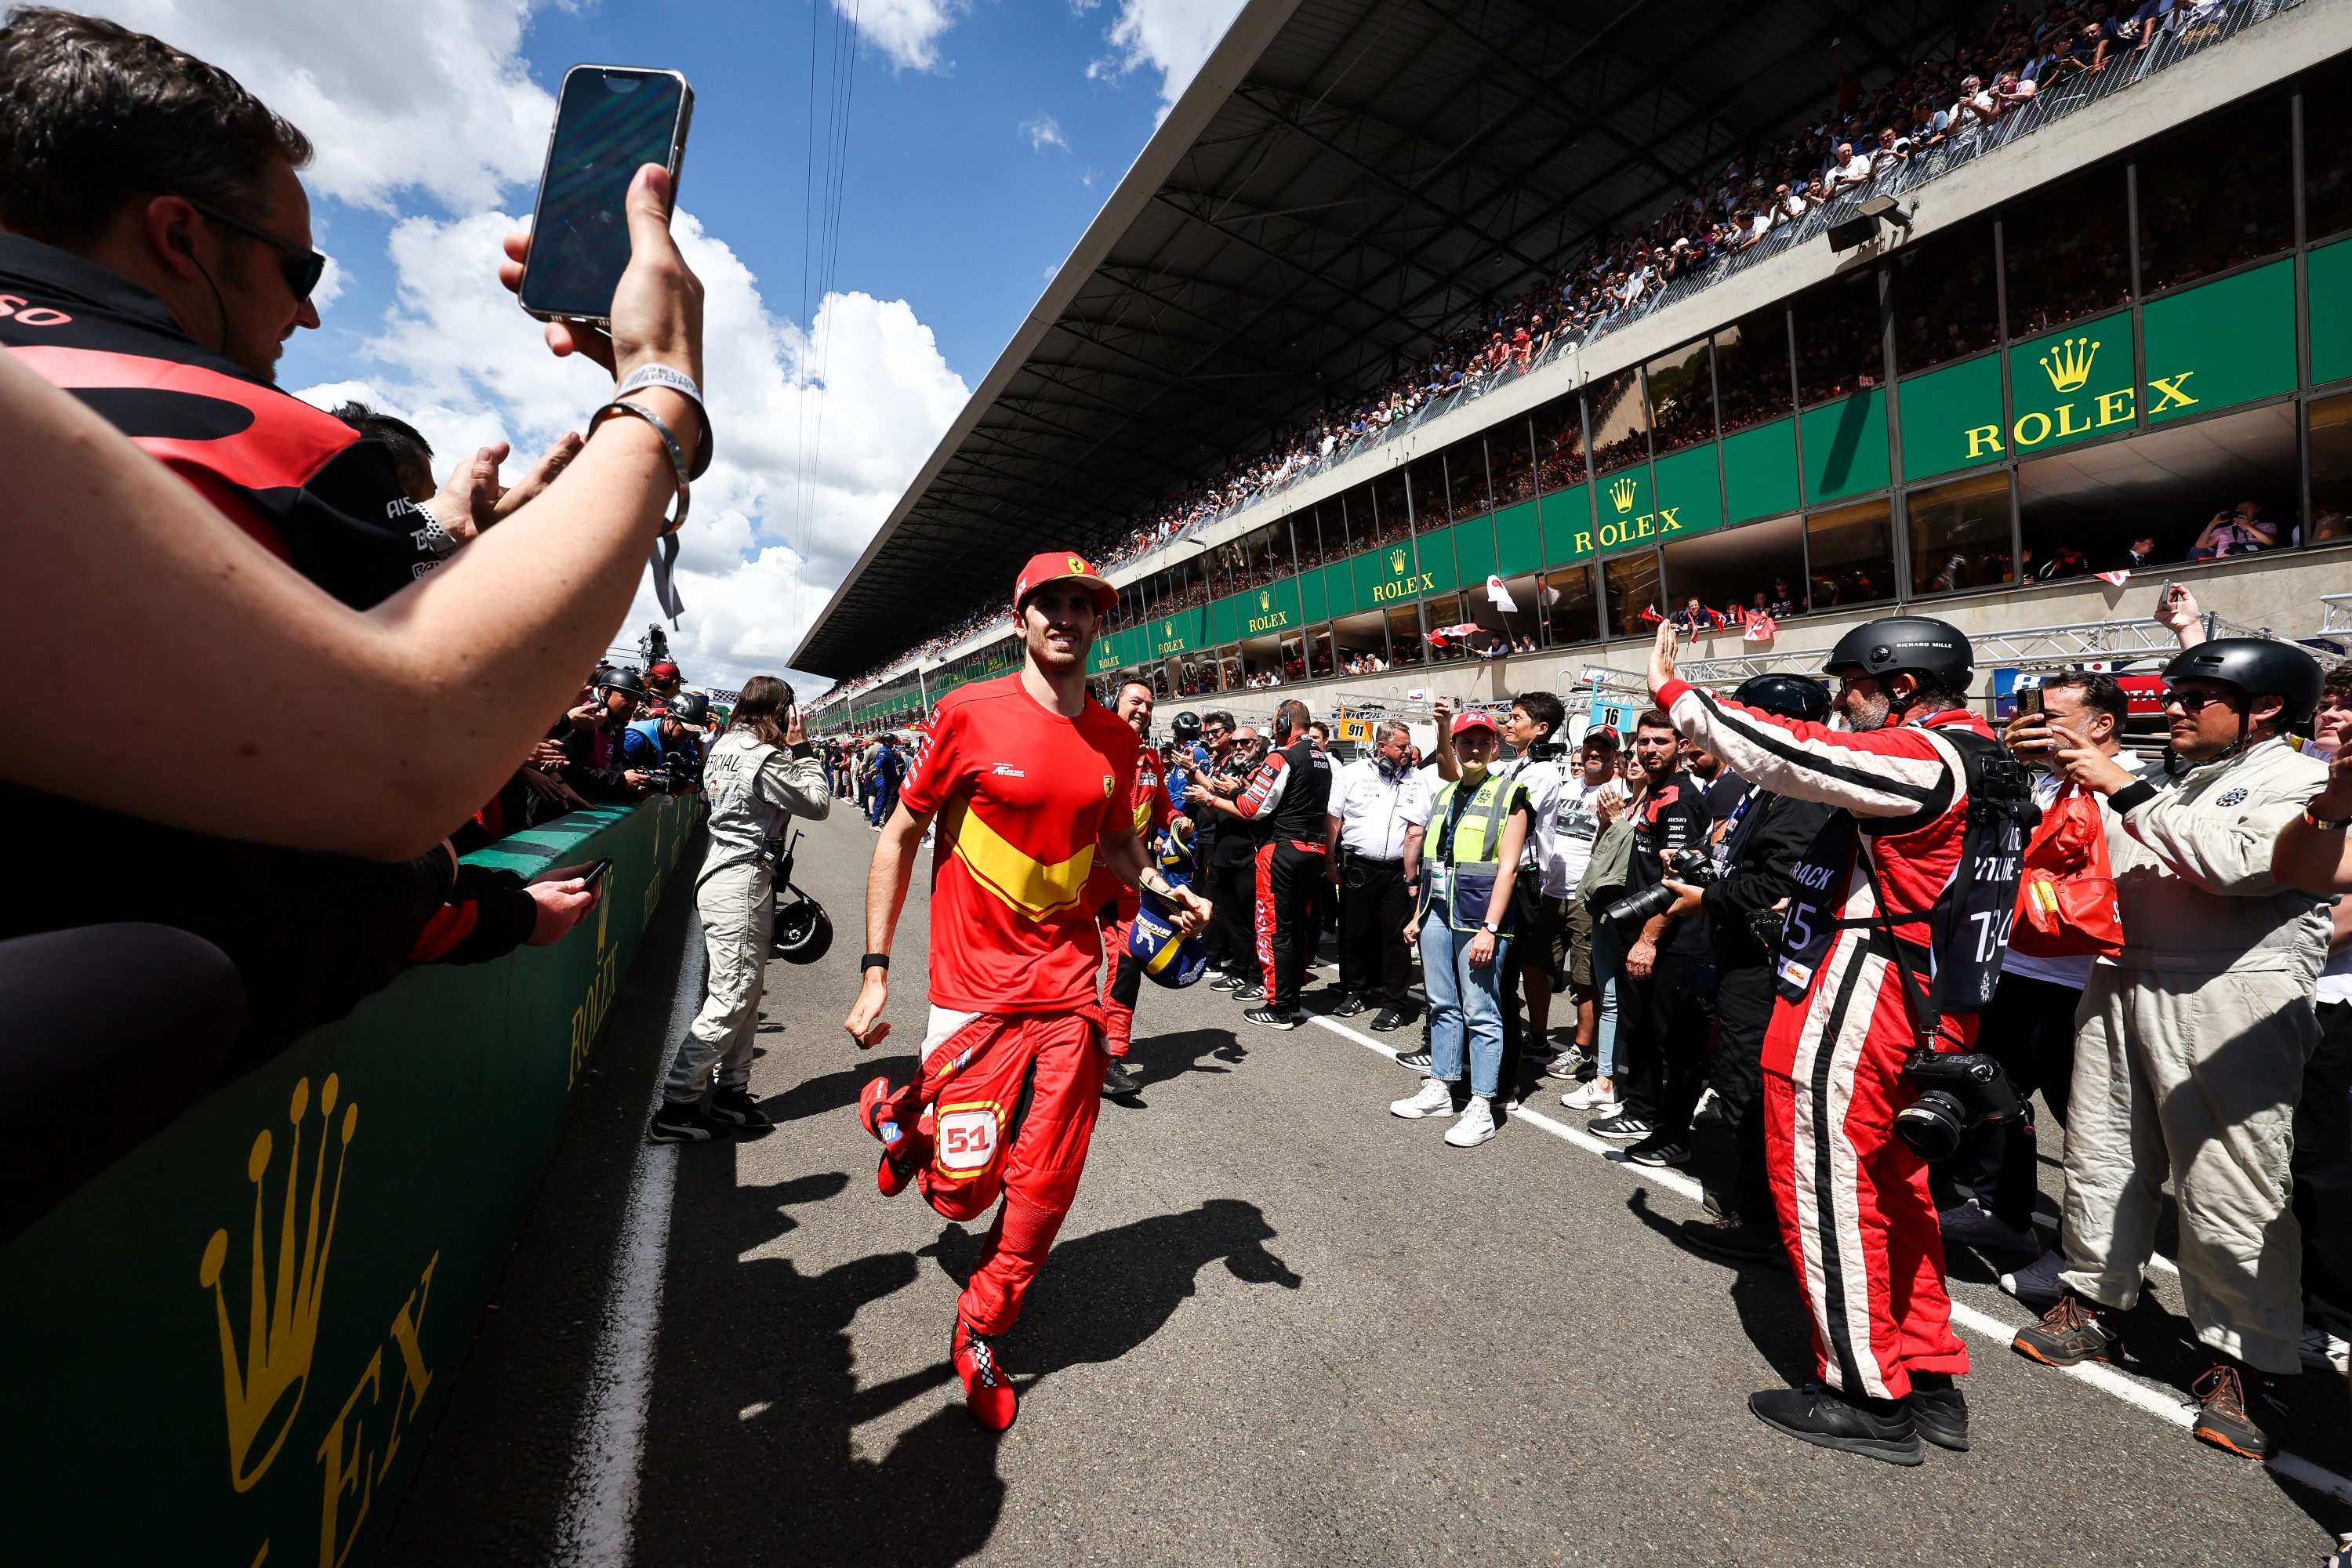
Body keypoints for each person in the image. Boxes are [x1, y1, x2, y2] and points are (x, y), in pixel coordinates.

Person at [1646, 614, 2027, 1466]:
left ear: (1900, 685)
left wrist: (1680, 694)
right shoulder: (1987, 758)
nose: (1840, 702)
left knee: (1829, 1189)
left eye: (1851, 685)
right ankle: (1924, 1368)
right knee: (1898, 1191)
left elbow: (1795, 752)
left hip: (1869, 991)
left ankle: (1865, 1391)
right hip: (1927, 996)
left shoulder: (1928, 753)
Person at [844, 552, 1210, 1432]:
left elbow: (1119, 847)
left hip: (1067, 989)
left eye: (1084, 606)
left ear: (1097, 624)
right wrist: (874, 967)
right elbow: (898, 836)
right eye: (1050, 603)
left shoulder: (1120, 742)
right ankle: (903, 1117)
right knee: (962, 1194)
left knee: (1048, 1174)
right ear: (1020, 617)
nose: (1067, 618)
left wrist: (1165, 887)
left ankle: (981, 1323)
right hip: (972, 992)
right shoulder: (967, 714)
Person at [2016, 638, 2328, 1460]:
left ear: (2262, 708)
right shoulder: (2178, 776)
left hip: (2232, 991)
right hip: (2123, 974)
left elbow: (2236, 866)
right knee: (2102, 1151)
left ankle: (2246, 1359)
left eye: (2200, 694)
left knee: (2233, 1176)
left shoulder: (2298, 778)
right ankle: (2094, 1298)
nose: (2177, 706)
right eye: (2176, 691)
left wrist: (2119, 781)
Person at [1957, 674, 2140, 1276]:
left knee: (2091, 1132)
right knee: (1994, 1101)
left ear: (2102, 725)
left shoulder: (2137, 784)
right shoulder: (2034, 778)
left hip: (2086, 983)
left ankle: (2080, 1258)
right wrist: (2010, 766)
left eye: (2054, 715)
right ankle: (2001, 1214)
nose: (2037, 724)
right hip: (2011, 966)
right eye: (2030, 713)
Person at [1670, 675, 1838, 1265]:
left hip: (1765, 962)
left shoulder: (1802, 791)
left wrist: (1708, 896)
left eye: (1748, 718)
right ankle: (1759, 1200)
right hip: (1741, 954)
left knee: (1747, 1083)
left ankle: (1761, 1219)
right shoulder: (1770, 785)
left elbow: (1780, 883)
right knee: (1736, 1076)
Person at [649, 679, 832, 1142]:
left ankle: (731, 1093)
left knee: (746, 995)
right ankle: (676, 1105)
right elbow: (817, 803)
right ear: (780, 711)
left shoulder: (726, 743)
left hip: (731, 873)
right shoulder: (762, 756)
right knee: (732, 996)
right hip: (742, 878)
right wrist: (804, 748)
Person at [1388, 710, 1535, 1148]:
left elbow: (1508, 869)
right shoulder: (1445, 793)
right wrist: (1418, 914)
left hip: (1480, 915)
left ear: (1495, 747)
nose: (1473, 749)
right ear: (1453, 747)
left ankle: (1482, 1104)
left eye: (1481, 742)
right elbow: (1435, 862)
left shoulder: (1511, 794)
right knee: (1441, 1004)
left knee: (1481, 1009)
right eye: (1465, 742)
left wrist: (1491, 928)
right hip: (1436, 911)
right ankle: (1441, 1083)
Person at [1585, 710, 1715, 1168]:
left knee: (1669, 1038)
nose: (1649, 749)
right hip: (1635, 931)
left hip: (1668, 939)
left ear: (1681, 746)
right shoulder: (1654, 793)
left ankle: (1669, 1128)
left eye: (1660, 741)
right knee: (1636, 1025)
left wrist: (1648, 939)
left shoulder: (1678, 798)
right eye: (1643, 741)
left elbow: (1676, 881)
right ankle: (1640, 1108)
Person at [1200, 698, 1334, 1030]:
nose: (1274, 728)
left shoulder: (1282, 755)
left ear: (1285, 722)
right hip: (1313, 851)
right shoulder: (1321, 757)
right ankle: (1292, 999)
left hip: (1282, 852)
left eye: (1276, 721)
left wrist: (1212, 799)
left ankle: (1279, 1007)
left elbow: (1250, 808)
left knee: (1272, 928)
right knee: (1297, 929)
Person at [1092, 680, 1190, 1098]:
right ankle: (1055, 1044)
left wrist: (1176, 821)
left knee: (1129, 958)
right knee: (1066, 963)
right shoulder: (1091, 747)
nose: (1143, 710)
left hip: (1131, 877)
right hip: (1078, 878)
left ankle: (1110, 1055)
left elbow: (1163, 804)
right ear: (1116, 705)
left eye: (1149, 705)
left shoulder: (1152, 757)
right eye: (1136, 702)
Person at [1326, 720, 1432, 1031]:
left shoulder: (1417, 779)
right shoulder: (1352, 775)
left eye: (1409, 745)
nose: (1407, 751)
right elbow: (1334, 817)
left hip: (1398, 872)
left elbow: (1418, 829)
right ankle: (1355, 990)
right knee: (1354, 933)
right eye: (1401, 746)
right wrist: (1329, 859)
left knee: (1396, 939)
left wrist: (1412, 878)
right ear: (1381, 746)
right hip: (1359, 867)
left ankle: (1395, 1003)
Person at [1544, 729, 1622, 1083]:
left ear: (1615, 756)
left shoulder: (1621, 793)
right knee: (1537, 964)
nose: (1594, 753)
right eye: (1590, 746)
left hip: (1585, 896)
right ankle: (1537, 1037)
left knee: (1585, 979)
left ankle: (1582, 1050)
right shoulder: (1567, 787)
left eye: (1603, 748)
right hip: (1550, 890)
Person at [866, 732, 906, 829]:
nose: (894, 743)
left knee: (884, 801)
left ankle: (877, 821)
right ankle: (874, 824)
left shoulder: (889, 751)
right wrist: (876, 769)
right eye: (892, 742)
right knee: (881, 801)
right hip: (883, 779)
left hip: (887, 778)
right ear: (887, 742)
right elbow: (880, 761)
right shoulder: (884, 752)